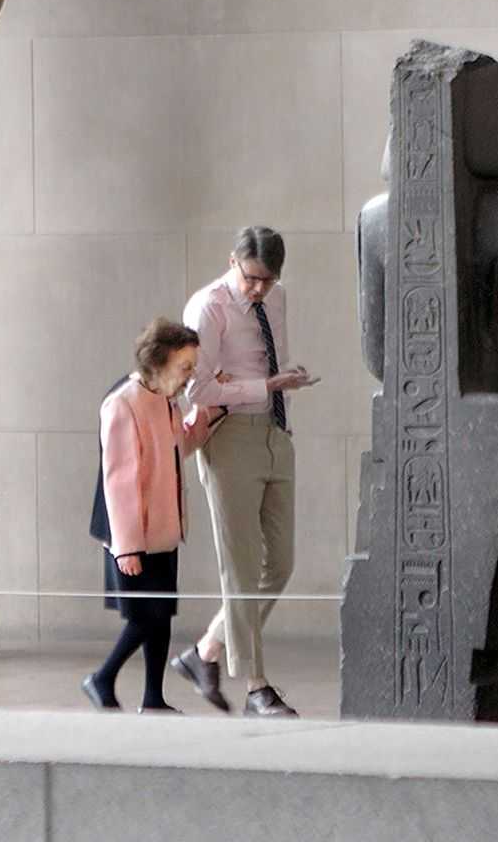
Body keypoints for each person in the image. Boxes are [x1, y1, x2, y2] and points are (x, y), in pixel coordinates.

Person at [172, 227, 316, 718]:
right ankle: (256, 687)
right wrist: (265, 384)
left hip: (275, 431)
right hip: (229, 437)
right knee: (239, 566)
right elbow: (198, 391)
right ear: (232, 260)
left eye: (268, 281)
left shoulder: (278, 301)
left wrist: (279, 385)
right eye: (252, 277)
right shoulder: (207, 307)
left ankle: (204, 652)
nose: (259, 289)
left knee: (280, 563)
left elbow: (252, 370)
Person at [84, 319, 224, 713]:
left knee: (161, 617)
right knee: (147, 616)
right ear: (159, 363)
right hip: (133, 537)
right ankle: (101, 678)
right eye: (185, 367)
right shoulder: (123, 403)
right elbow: (119, 481)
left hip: (162, 530)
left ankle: (152, 698)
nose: (189, 376)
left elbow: (179, 447)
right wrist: (127, 548)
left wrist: (207, 414)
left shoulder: (165, 399)